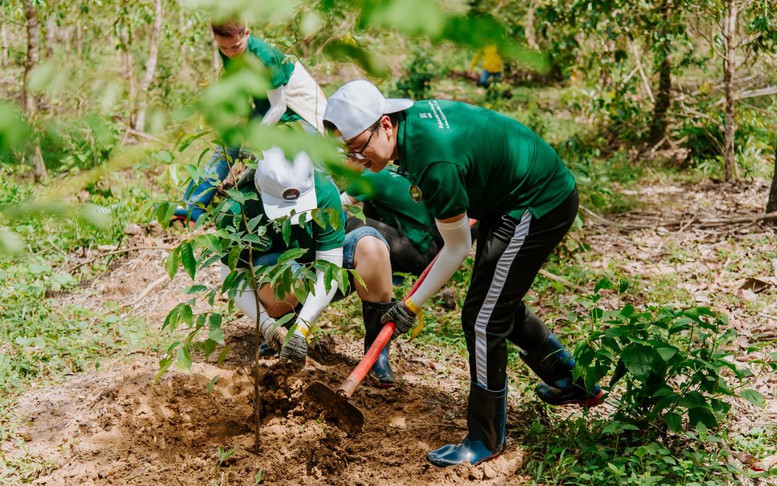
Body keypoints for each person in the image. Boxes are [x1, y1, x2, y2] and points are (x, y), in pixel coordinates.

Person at [323, 80, 604, 467]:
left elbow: (456, 247)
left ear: (385, 124)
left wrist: (411, 305)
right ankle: (570, 381)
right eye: (348, 152)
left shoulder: (434, 163)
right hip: (506, 198)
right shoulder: (408, 129)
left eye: (359, 148)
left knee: (483, 320)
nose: (357, 160)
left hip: (536, 202)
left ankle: (485, 439)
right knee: (495, 301)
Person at [216, 146, 399, 387]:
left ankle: (377, 352)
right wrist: (267, 326)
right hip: (277, 279)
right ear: (260, 187)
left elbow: (329, 266)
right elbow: (233, 279)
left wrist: (303, 329)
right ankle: (280, 332)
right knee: (278, 273)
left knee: (372, 247)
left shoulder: (323, 191)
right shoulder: (236, 207)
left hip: (318, 272)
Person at [174, 20, 327, 225]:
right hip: (267, 109)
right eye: (223, 48)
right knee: (228, 143)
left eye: (235, 47)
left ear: (247, 33)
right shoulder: (228, 52)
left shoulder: (264, 56)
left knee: (306, 163)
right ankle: (191, 208)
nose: (230, 53)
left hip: (298, 113)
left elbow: (279, 106)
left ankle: (328, 210)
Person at [340, 165, 442, 279]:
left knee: (355, 225)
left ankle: (341, 269)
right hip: (433, 250)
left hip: (422, 255)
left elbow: (334, 208)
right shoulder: (385, 171)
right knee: (364, 219)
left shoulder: (368, 178)